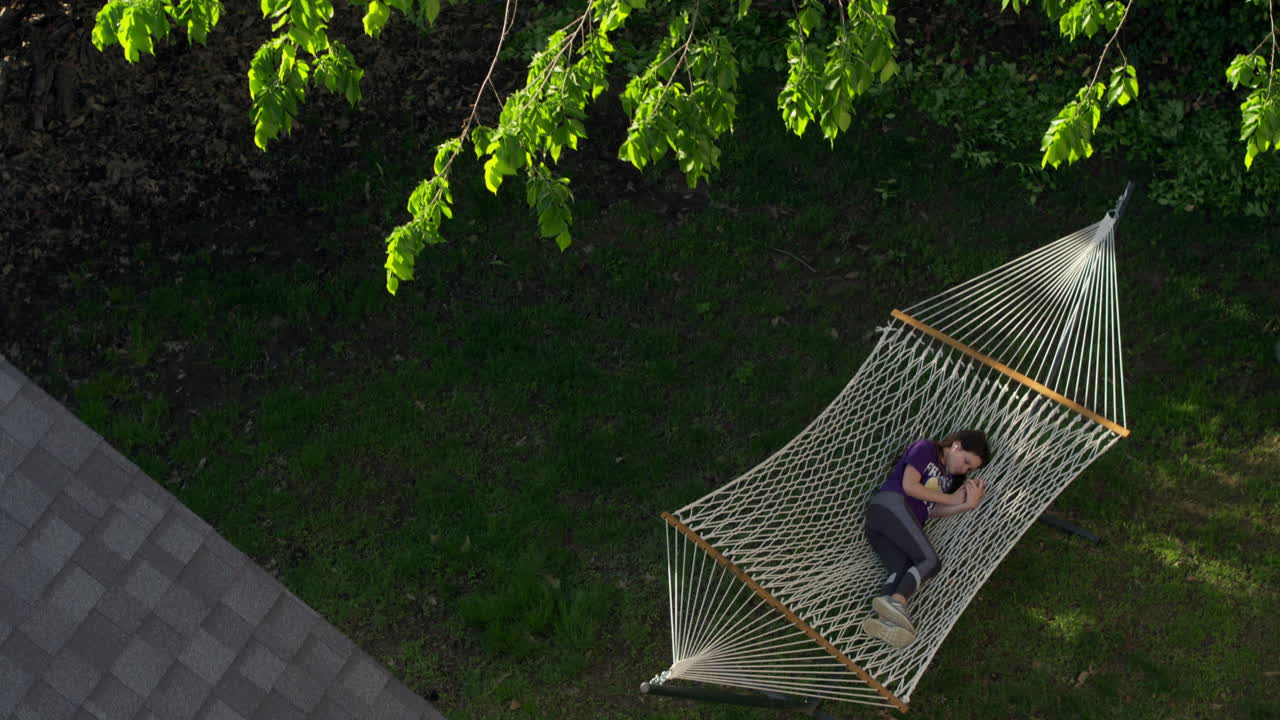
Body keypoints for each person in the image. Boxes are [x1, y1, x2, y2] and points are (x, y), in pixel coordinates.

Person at [860, 431, 992, 648]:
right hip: (890, 507)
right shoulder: (926, 449)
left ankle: (883, 620)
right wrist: (950, 498)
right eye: (966, 461)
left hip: (890, 527)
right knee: (930, 561)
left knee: (901, 568)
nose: (964, 469)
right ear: (956, 445)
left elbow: (930, 510)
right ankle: (897, 603)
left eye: (969, 469)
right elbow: (910, 486)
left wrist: (966, 505)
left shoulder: (949, 479)